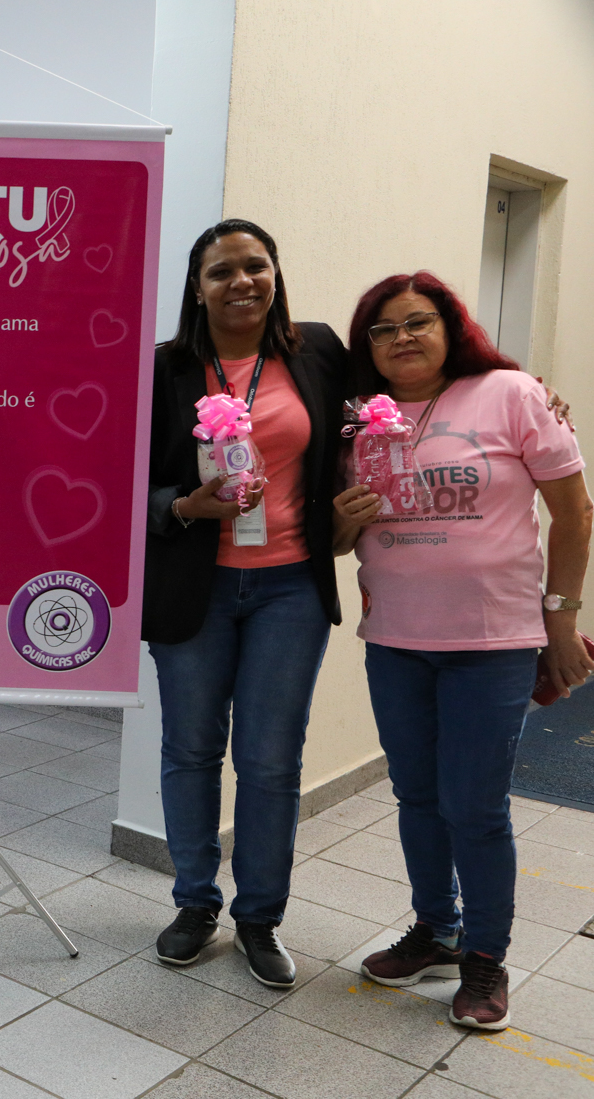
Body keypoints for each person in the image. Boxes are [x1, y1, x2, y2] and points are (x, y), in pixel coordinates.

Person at [335, 271, 591, 1030]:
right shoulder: (354, 419)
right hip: (395, 641)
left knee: (473, 807)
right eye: (382, 329)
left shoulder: (510, 394)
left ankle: (485, 957)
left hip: (490, 640)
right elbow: (338, 535)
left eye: (417, 322)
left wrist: (560, 616)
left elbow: (574, 512)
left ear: (451, 328)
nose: (400, 338)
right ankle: (435, 930)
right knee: (416, 797)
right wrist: (343, 521)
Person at [143, 219, 349, 988]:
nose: (241, 282)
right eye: (220, 271)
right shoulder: (163, 369)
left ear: (275, 274)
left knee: (269, 761)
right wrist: (183, 507)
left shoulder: (318, 350)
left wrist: (521, 392)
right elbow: (114, 480)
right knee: (191, 751)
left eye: (254, 266)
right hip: (193, 587)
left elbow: (405, 399)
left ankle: (259, 917)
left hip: (290, 586)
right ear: (196, 289)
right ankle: (194, 904)